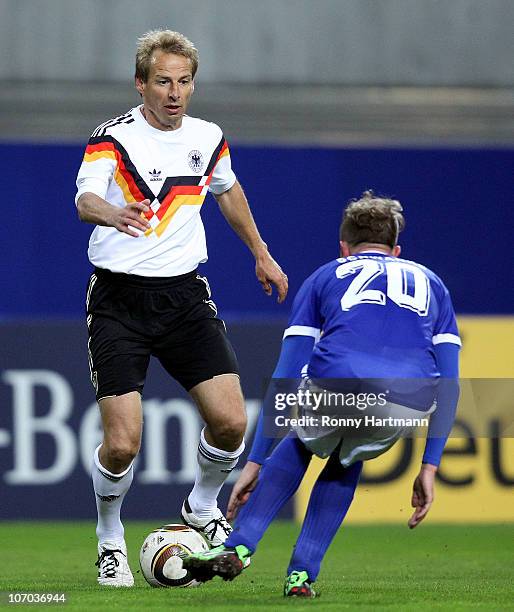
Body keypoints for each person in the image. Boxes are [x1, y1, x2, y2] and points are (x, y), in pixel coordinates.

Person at [75, 29, 288, 587]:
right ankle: (109, 536)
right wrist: (111, 214)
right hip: (119, 299)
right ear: (140, 83)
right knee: (122, 444)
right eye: (163, 81)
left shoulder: (207, 136)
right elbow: (85, 198)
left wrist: (261, 254)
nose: (174, 92)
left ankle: (201, 503)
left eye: (184, 81)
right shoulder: (113, 139)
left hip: (185, 296)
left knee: (231, 421)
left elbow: (227, 190)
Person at [183, 191, 461, 597]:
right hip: (406, 400)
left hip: (337, 385)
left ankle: (239, 545)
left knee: (304, 438)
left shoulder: (327, 276)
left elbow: (287, 373)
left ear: (344, 247)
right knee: (350, 454)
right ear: (396, 250)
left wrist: (256, 461)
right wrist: (430, 466)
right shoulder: (433, 283)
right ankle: (301, 575)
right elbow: (450, 382)